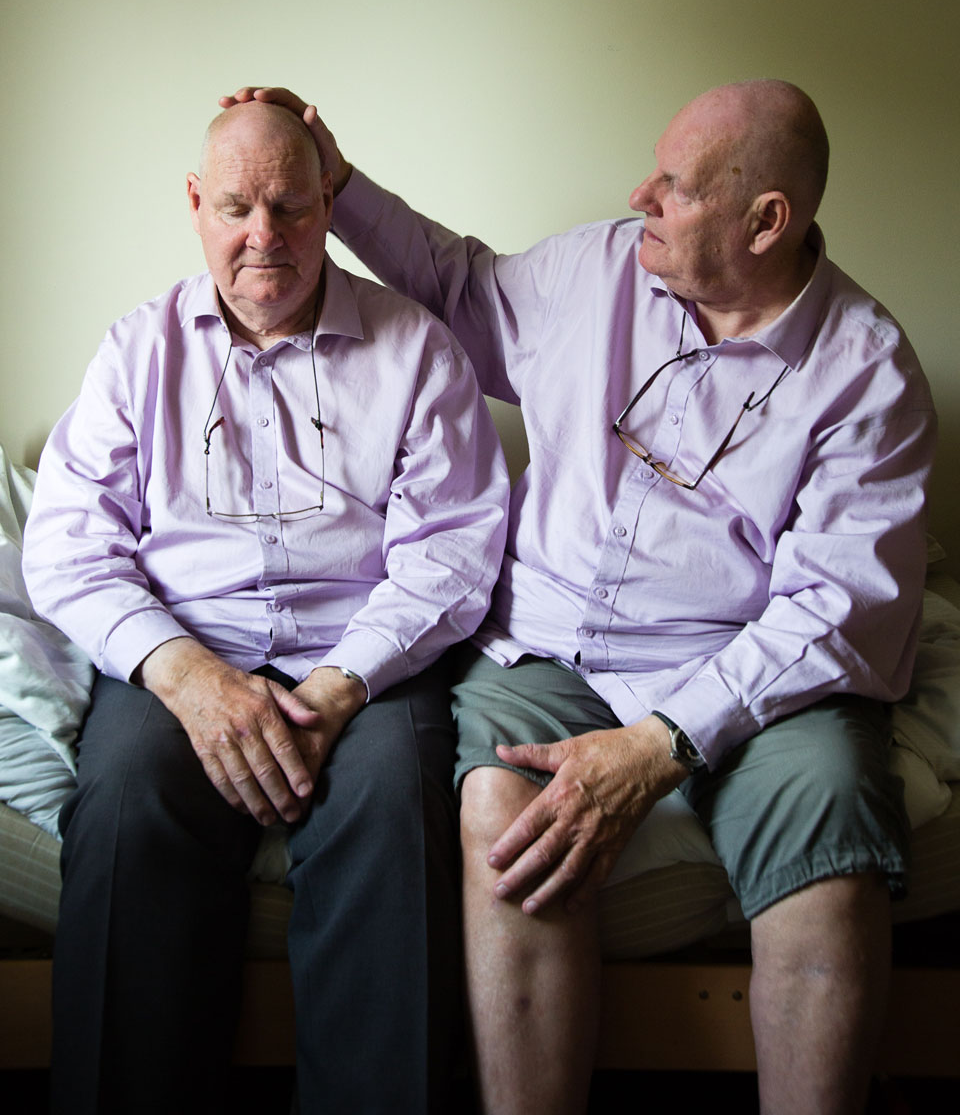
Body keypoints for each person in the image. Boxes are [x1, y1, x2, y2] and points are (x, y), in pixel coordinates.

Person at [226, 80, 938, 1114]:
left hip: (744, 665)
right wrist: (337, 182)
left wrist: (661, 746)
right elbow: (457, 284)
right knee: (501, 812)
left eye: (677, 186)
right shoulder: (602, 267)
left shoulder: (868, 371)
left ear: (767, 221)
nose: (642, 194)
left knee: (831, 824)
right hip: (545, 648)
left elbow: (835, 608)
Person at [22, 100, 509, 1115]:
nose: (264, 235)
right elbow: (66, 544)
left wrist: (339, 686)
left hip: (367, 663)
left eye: (290, 205)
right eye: (237, 207)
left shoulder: (416, 347)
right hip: (181, 655)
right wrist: (187, 677)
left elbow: (454, 551)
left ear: (329, 200)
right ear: (196, 203)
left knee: (394, 810)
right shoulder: (137, 350)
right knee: (124, 803)